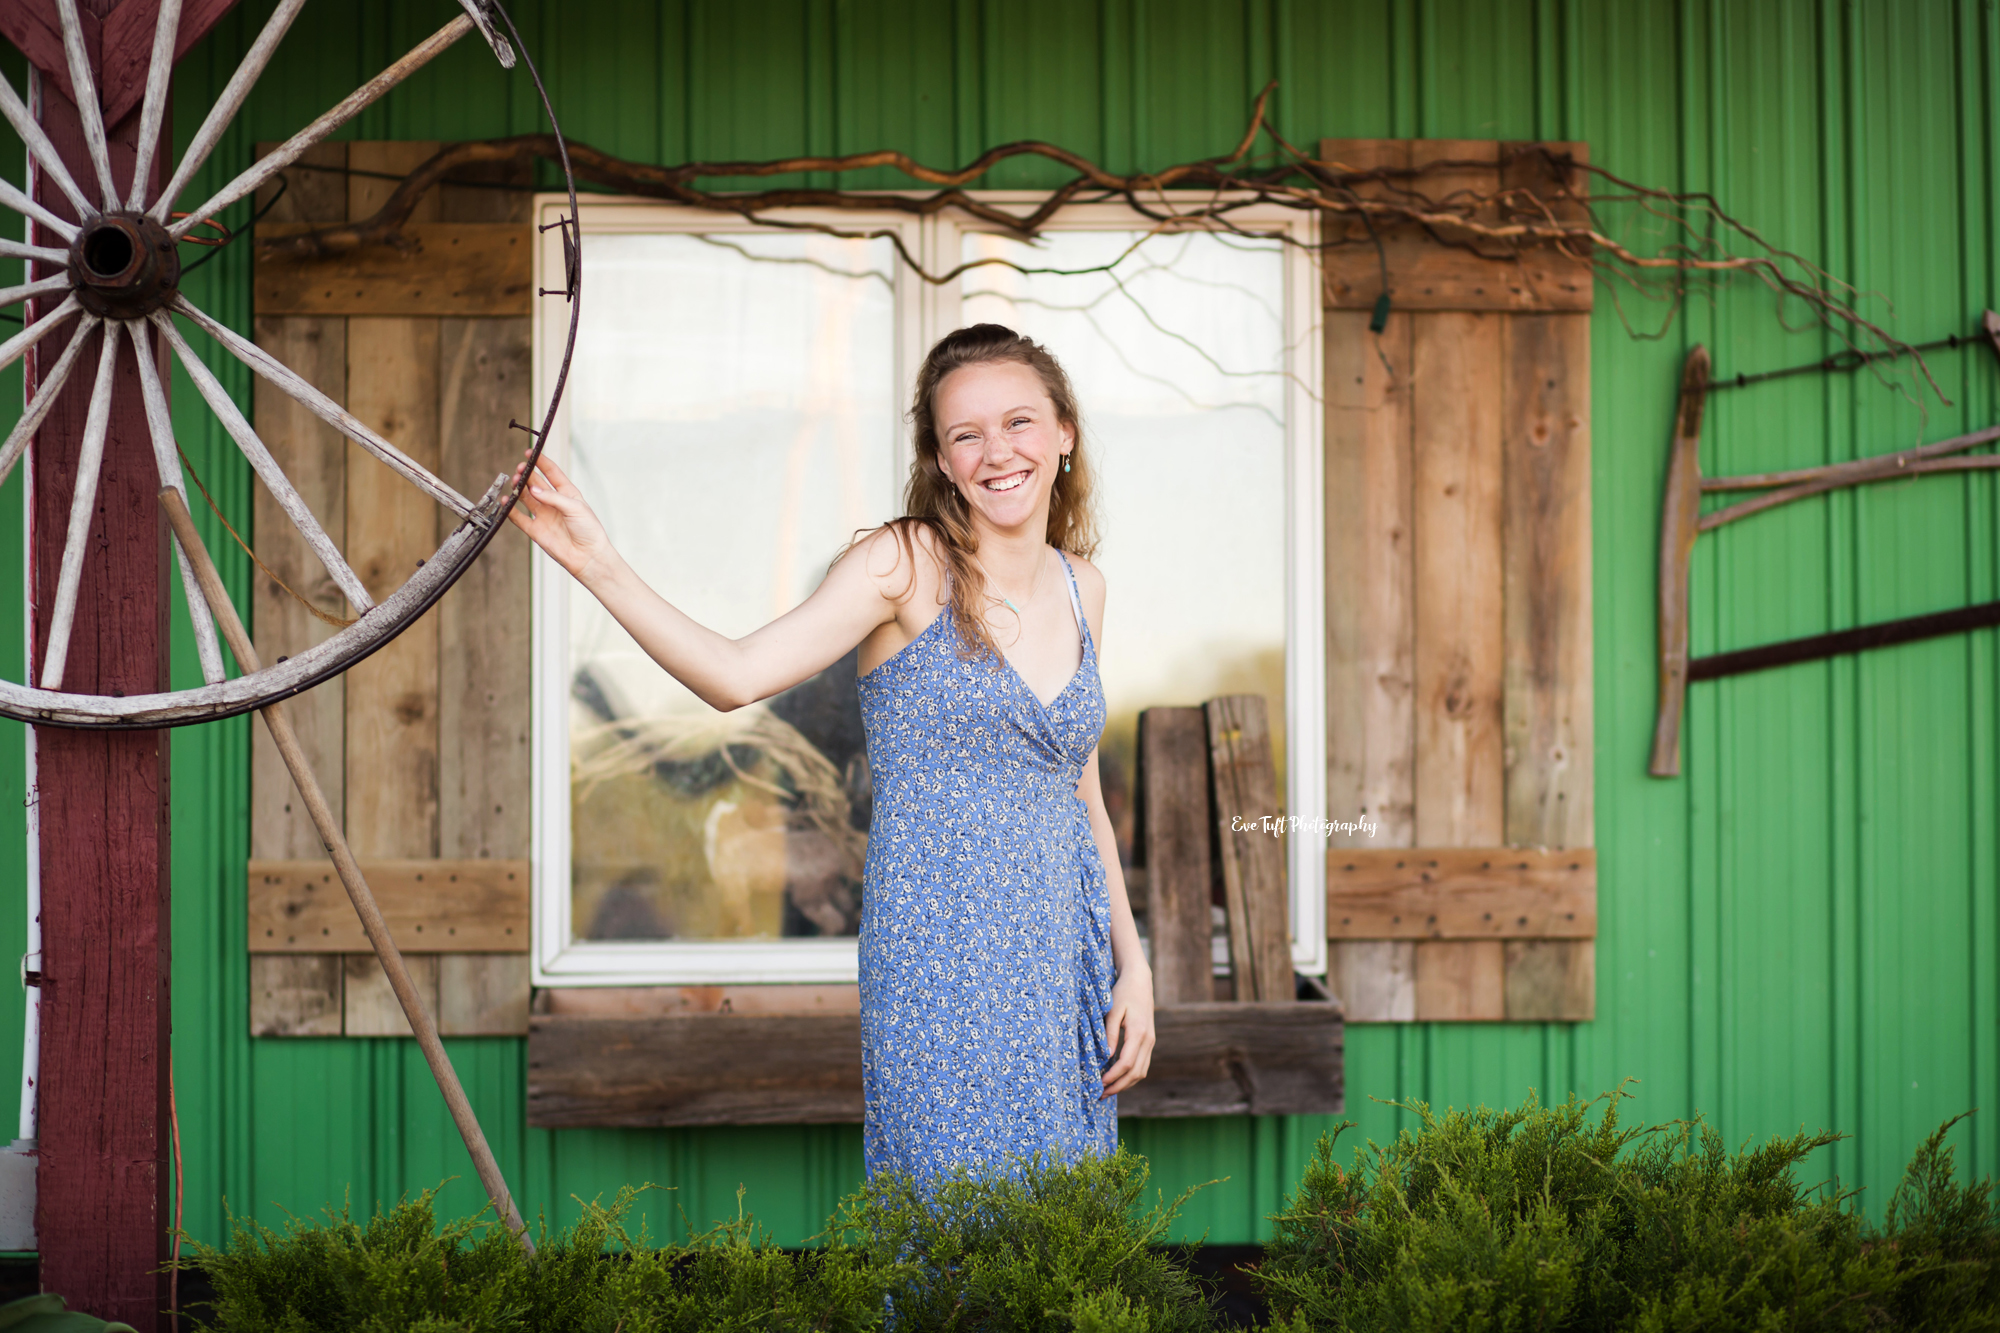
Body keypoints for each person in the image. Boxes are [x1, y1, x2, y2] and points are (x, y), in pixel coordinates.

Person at [510, 323, 1156, 1181]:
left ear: (1064, 432)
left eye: (1019, 423)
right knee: (948, 1236)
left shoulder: (1086, 589)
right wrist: (599, 564)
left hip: (1059, 964)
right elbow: (735, 675)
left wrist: (1132, 965)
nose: (997, 451)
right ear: (941, 458)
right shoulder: (902, 563)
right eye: (966, 434)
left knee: (1058, 1242)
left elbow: (1081, 796)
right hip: (939, 963)